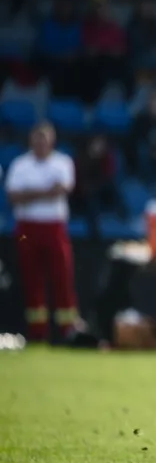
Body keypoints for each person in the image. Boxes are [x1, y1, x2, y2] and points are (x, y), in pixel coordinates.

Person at [4, 122, 80, 342]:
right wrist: (46, 191)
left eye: (44, 139)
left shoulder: (62, 162)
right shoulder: (21, 165)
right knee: (32, 279)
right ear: (30, 141)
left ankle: (68, 331)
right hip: (27, 229)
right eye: (36, 139)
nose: (40, 144)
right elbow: (13, 197)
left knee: (62, 278)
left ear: (51, 141)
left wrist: (30, 194)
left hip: (54, 227)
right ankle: (38, 333)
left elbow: (63, 190)